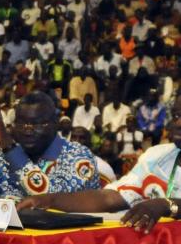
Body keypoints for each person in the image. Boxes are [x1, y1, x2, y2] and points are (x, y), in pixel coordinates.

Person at [17, 99, 181, 234]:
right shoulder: (156, 156)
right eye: (176, 115)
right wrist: (49, 200)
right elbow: (109, 198)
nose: (178, 122)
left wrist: (166, 205)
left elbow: (163, 205)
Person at [0, 91, 102, 198]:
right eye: (21, 123)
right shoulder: (4, 160)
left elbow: (47, 198)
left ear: (55, 123)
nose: (28, 130)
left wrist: (6, 143)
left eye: (37, 124)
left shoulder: (78, 157)